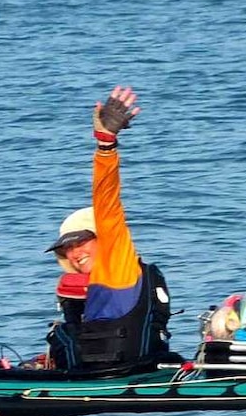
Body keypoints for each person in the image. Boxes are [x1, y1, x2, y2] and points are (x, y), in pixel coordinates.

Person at [45, 86, 174, 371]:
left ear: (102, 237)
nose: (74, 252)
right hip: (120, 376)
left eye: (81, 242)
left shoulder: (116, 264)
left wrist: (106, 144)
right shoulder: (97, 291)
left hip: (117, 381)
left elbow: (107, 203)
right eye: (67, 248)